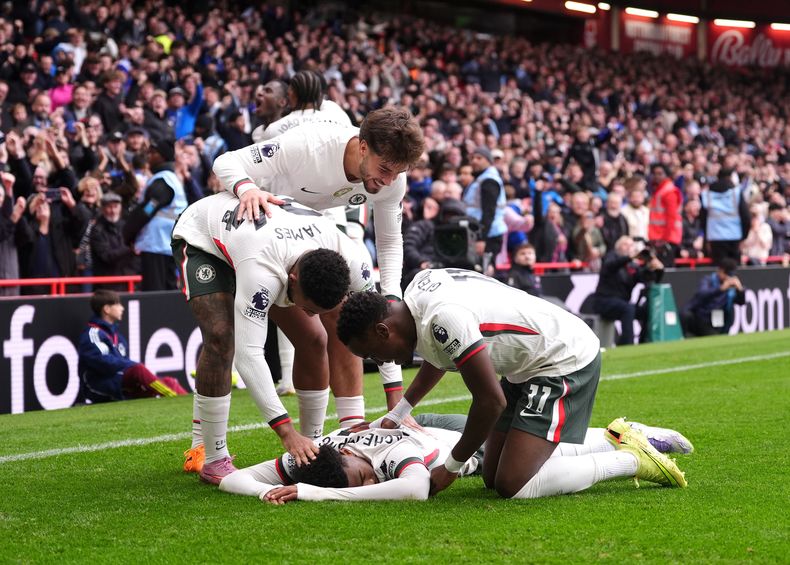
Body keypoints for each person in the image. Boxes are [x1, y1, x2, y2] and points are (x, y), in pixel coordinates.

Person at [335, 271, 687, 500]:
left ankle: (631, 458)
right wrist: (398, 413)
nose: (381, 362)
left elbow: (490, 402)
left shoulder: (444, 318)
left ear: (384, 330)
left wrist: (452, 467)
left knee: (513, 485)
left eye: (373, 354)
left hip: (561, 358)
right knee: (492, 476)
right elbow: (437, 353)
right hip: (526, 364)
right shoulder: (417, 296)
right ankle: (616, 436)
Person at [212, 106, 424, 434]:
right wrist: (247, 188)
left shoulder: (392, 178)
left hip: (304, 236)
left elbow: (390, 243)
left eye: (397, 173)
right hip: (248, 236)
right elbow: (225, 161)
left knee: (341, 318)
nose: (388, 182)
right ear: (363, 146)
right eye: (384, 169)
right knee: (226, 338)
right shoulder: (308, 145)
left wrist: (392, 295)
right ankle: (206, 445)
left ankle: (351, 427)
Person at [171, 192, 375, 485]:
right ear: (292, 279)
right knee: (221, 339)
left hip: (272, 243)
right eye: (306, 306)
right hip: (205, 237)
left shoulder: (354, 257)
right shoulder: (262, 271)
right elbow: (249, 354)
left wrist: (397, 403)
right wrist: (286, 432)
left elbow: (376, 326)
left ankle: (313, 444)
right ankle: (215, 458)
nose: (307, 312)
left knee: (315, 339)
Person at [219, 413, 692, 503]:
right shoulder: (323, 455)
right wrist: (292, 486)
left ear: (355, 454)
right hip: (436, 432)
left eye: (362, 479)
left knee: (522, 481)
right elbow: (229, 480)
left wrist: (317, 497)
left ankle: (632, 453)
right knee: (550, 450)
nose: (368, 485)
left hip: (456, 441)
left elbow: (413, 489)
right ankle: (627, 436)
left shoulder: (388, 452)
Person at [77, 289, 187, 402]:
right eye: (118, 304)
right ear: (107, 309)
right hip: (98, 385)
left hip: (117, 381)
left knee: (169, 381)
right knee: (138, 370)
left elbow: (121, 363)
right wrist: (130, 365)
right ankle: (173, 397)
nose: (122, 308)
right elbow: (103, 362)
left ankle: (188, 404)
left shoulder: (116, 335)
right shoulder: (93, 334)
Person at [123, 138, 186, 291]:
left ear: (163, 156)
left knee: (156, 293)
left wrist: (128, 233)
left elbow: (147, 210)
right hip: (166, 245)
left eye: (153, 153)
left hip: (157, 245)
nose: (149, 156)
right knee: (167, 292)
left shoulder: (163, 182)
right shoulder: (171, 180)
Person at [591, 236, 664, 346]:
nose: (629, 247)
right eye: (626, 244)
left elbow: (646, 278)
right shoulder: (611, 257)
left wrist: (656, 269)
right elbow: (612, 265)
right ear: (618, 246)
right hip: (604, 301)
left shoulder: (632, 266)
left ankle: (643, 342)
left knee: (646, 310)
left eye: (631, 245)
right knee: (628, 308)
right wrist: (630, 257)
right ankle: (627, 345)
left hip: (622, 304)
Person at [701, 155, 750, 266]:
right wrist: (744, 237)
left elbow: (703, 220)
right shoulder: (736, 193)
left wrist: (706, 238)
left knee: (719, 270)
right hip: (734, 237)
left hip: (715, 238)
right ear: (730, 178)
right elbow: (746, 217)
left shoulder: (706, 194)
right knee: (733, 271)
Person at [464, 146, 507, 268]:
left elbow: (489, 212)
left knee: (485, 270)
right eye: (472, 158)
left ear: (488, 161)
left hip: (489, 235)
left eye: (479, 158)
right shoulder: (481, 178)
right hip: (482, 232)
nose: (474, 161)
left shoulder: (489, 180)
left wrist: (481, 239)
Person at [681, 258, 745, 337]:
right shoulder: (708, 280)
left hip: (720, 321)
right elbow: (702, 294)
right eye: (727, 274)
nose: (728, 278)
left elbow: (741, 302)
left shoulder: (731, 289)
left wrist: (740, 289)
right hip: (702, 318)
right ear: (720, 271)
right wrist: (720, 289)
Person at [647, 164, 682, 267]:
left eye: (660, 173)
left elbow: (671, 217)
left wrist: (665, 239)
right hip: (659, 238)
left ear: (666, 175)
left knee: (665, 271)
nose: (657, 176)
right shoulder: (659, 190)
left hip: (666, 239)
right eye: (655, 174)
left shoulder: (669, 191)